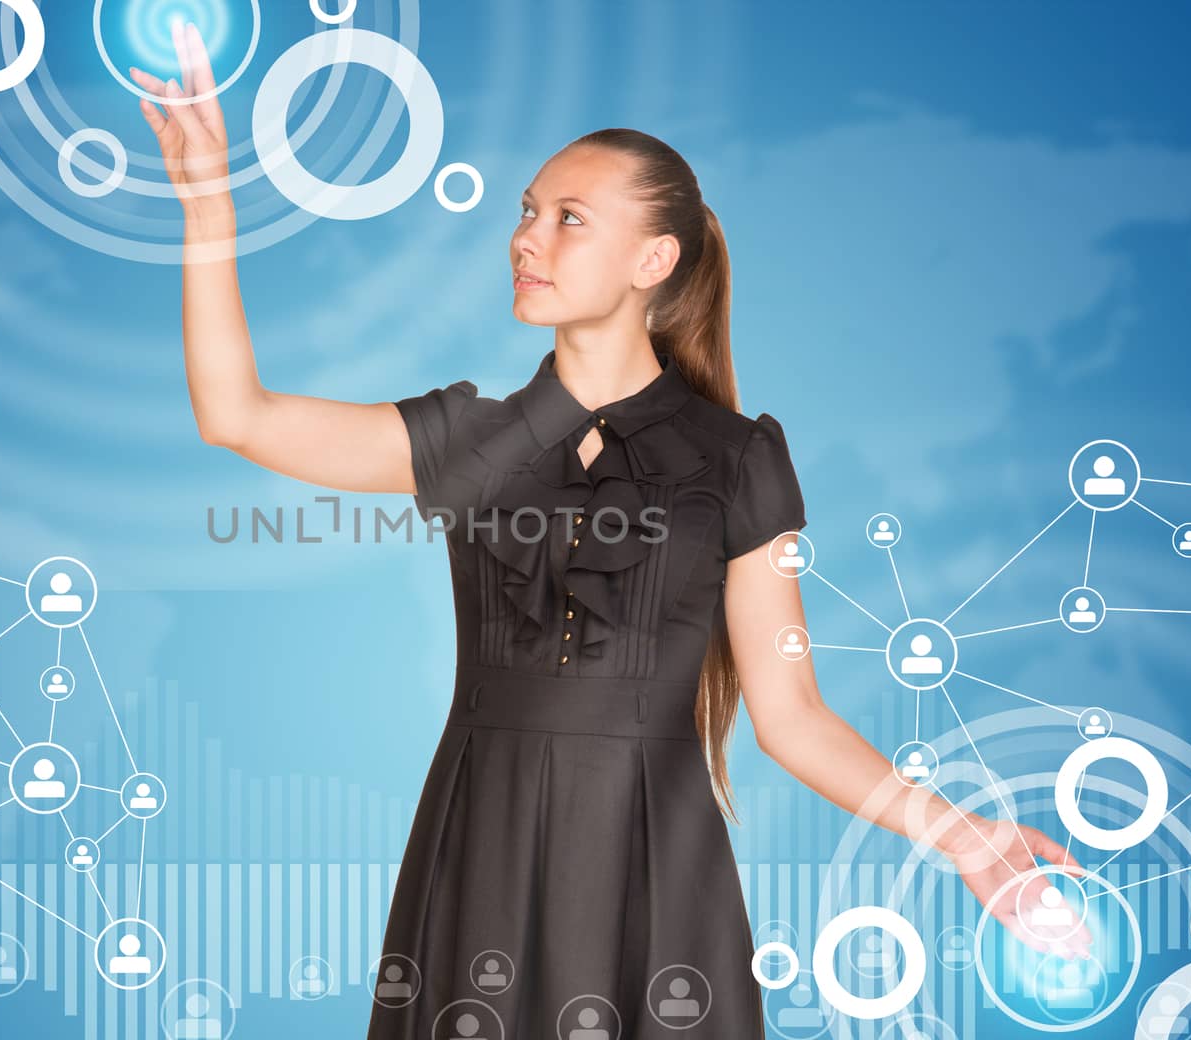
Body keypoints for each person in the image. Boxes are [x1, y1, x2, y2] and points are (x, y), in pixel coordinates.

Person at [131, 20, 1092, 1038]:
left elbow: (791, 713)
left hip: (655, 864)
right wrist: (207, 207)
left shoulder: (737, 459)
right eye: (527, 212)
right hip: (479, 847)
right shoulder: (467, 439)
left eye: (568, 218)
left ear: (654, 258)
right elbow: (235, 414)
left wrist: (961, 835)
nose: (526, 236)